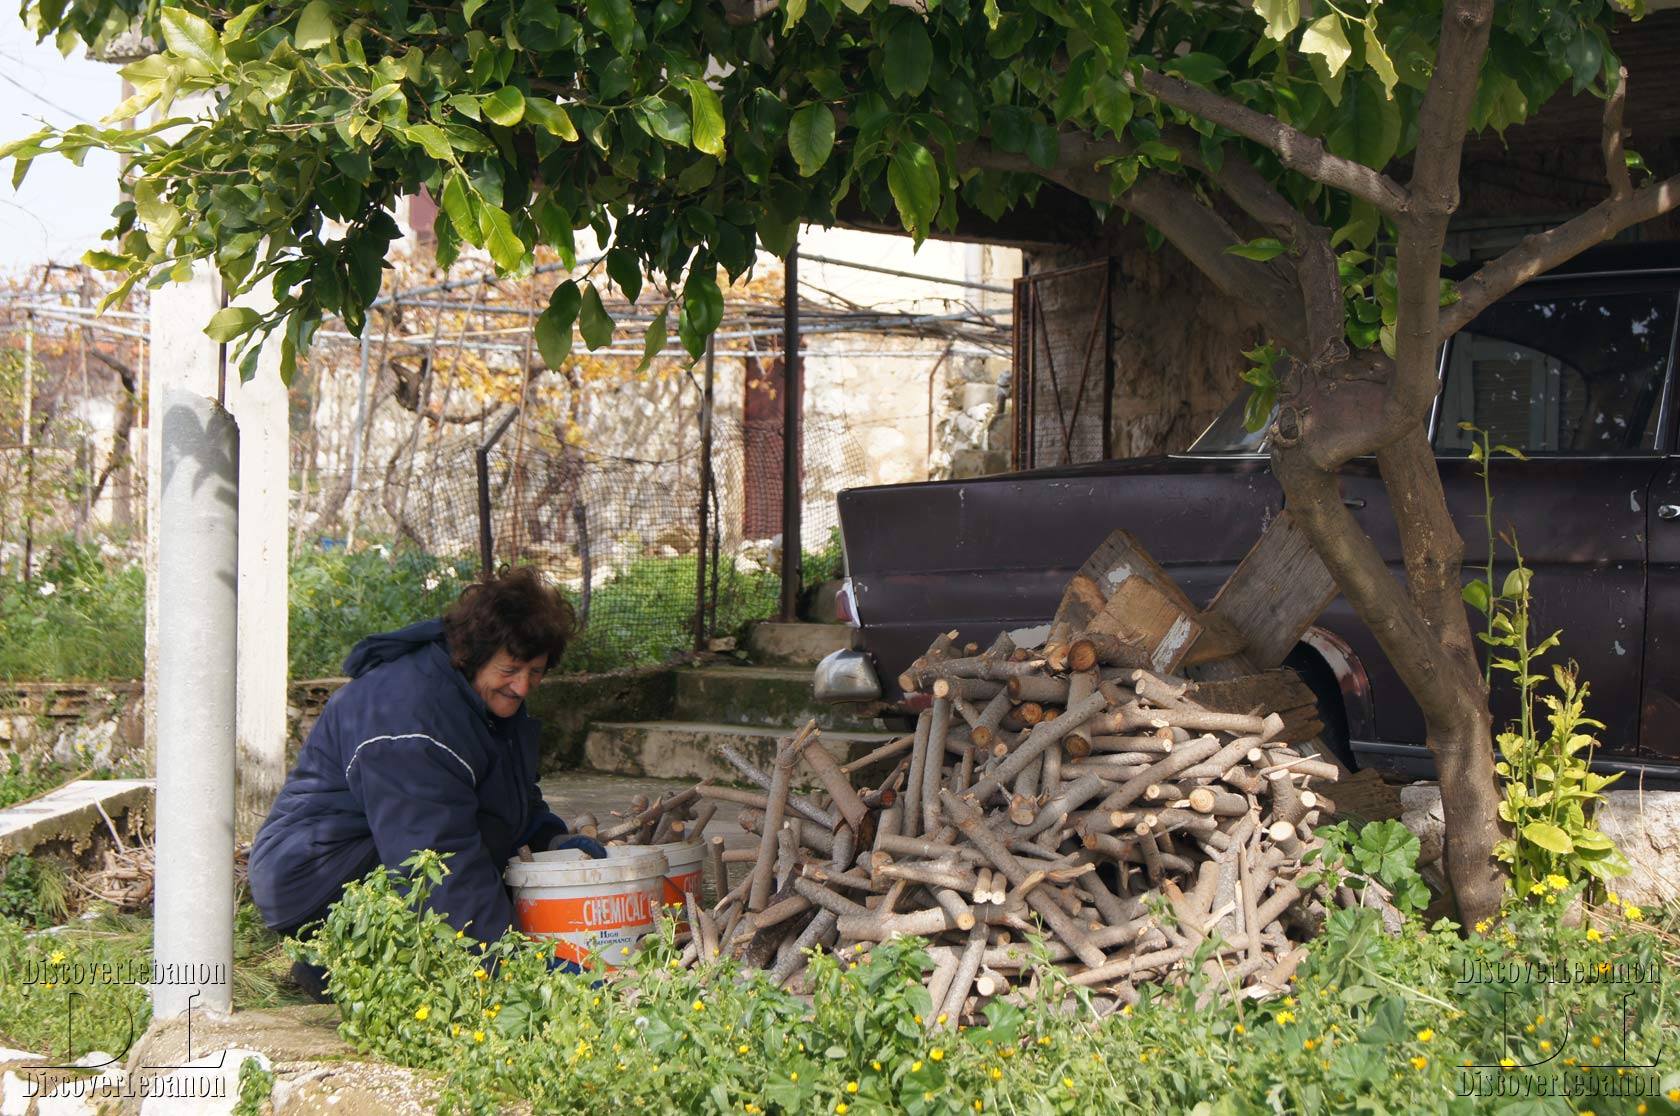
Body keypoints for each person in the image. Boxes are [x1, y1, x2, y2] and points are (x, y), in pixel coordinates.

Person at [249, 566, 603, 997]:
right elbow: (437, 857)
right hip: (312, 883)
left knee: (485, 833)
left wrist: (547, 840)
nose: (524, 686)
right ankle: (338, 960)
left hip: (369, 853)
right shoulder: (410, 721)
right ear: (473, 655)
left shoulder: (482, 696)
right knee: (470, 848)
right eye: (512, 669)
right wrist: (511, 972)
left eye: (537, 671)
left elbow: (509, 787)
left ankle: (359, 960)